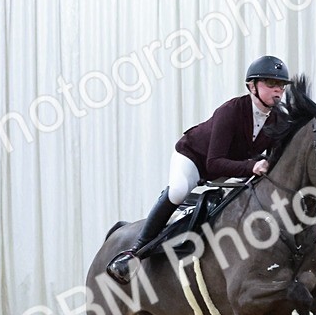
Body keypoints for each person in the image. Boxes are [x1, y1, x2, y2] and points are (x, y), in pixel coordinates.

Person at [105, 55, 292, 284]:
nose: (278, 90)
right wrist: (252, 166)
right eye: (271, 84)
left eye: (281, 85)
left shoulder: (279, 119)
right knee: (178, 191)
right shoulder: (231, 111)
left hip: (231, 168)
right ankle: (135, 251)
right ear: (252, 86)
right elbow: (214, 162)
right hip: (195, 159)